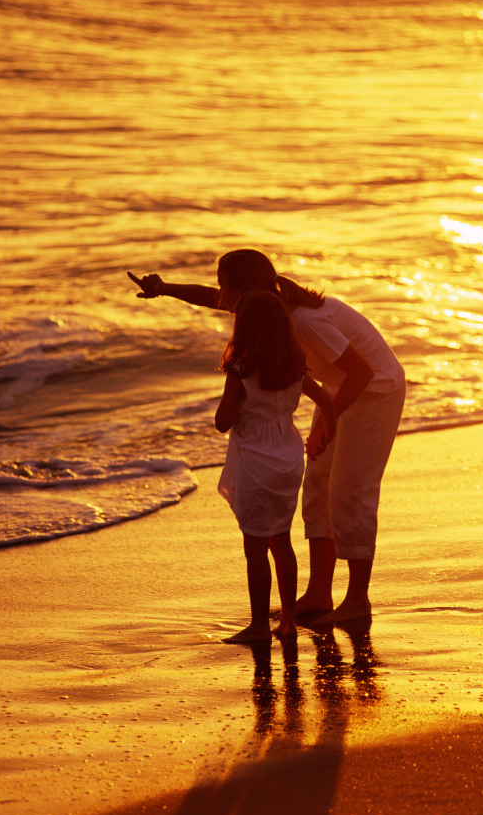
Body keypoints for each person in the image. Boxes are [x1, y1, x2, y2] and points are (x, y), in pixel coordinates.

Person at [128, 249, 405, 623]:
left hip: (375, 391)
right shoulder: (267, 308)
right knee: (318, 489)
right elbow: (210, 298)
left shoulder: (303, 321)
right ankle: (319, 594)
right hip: (339, 390)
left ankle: (358, 601)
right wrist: (164, 288)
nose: (219, 293)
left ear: (244, 290)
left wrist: (326, 419)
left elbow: (362, 372)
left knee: (349, 493)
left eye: (224, 285)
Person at [214, 289, 335, 644]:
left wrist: (236, 409)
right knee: (281, 541)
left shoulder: (240, 370)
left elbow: (223, 422)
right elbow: (326, 401)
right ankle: (289, 621)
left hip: (254, 461)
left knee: (255, 548)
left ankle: (257, 626)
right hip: (287, 460)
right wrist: (325, 439)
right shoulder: (294, 369)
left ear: (244, 328)